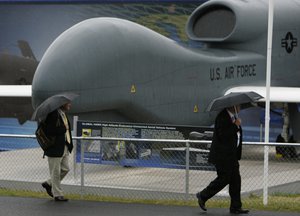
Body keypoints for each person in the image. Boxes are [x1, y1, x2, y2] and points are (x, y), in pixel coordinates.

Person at [196, 105, 249, 214]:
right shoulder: (222, 117)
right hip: (222, 156)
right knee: (223, 179)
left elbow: (235, 135)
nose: (239, 108)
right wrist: (235, 126)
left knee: (235, 181)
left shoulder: (233, 117)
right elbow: (223, 135)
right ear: (231, 106)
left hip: (231, 156)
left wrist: (236, 126)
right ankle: (203, 195)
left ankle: (236, 207)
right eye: (237, 106)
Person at [41, 102, 73, 202]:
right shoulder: (53, 114)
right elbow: (49, 130)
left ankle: (48, 183)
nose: (70, 105)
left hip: (64, 146)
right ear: (62, 104)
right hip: (54, 148)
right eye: (68, 103)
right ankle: (57, 194)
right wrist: (63, 128)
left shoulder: (63, 114)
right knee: (55, 172)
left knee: (65, 168)